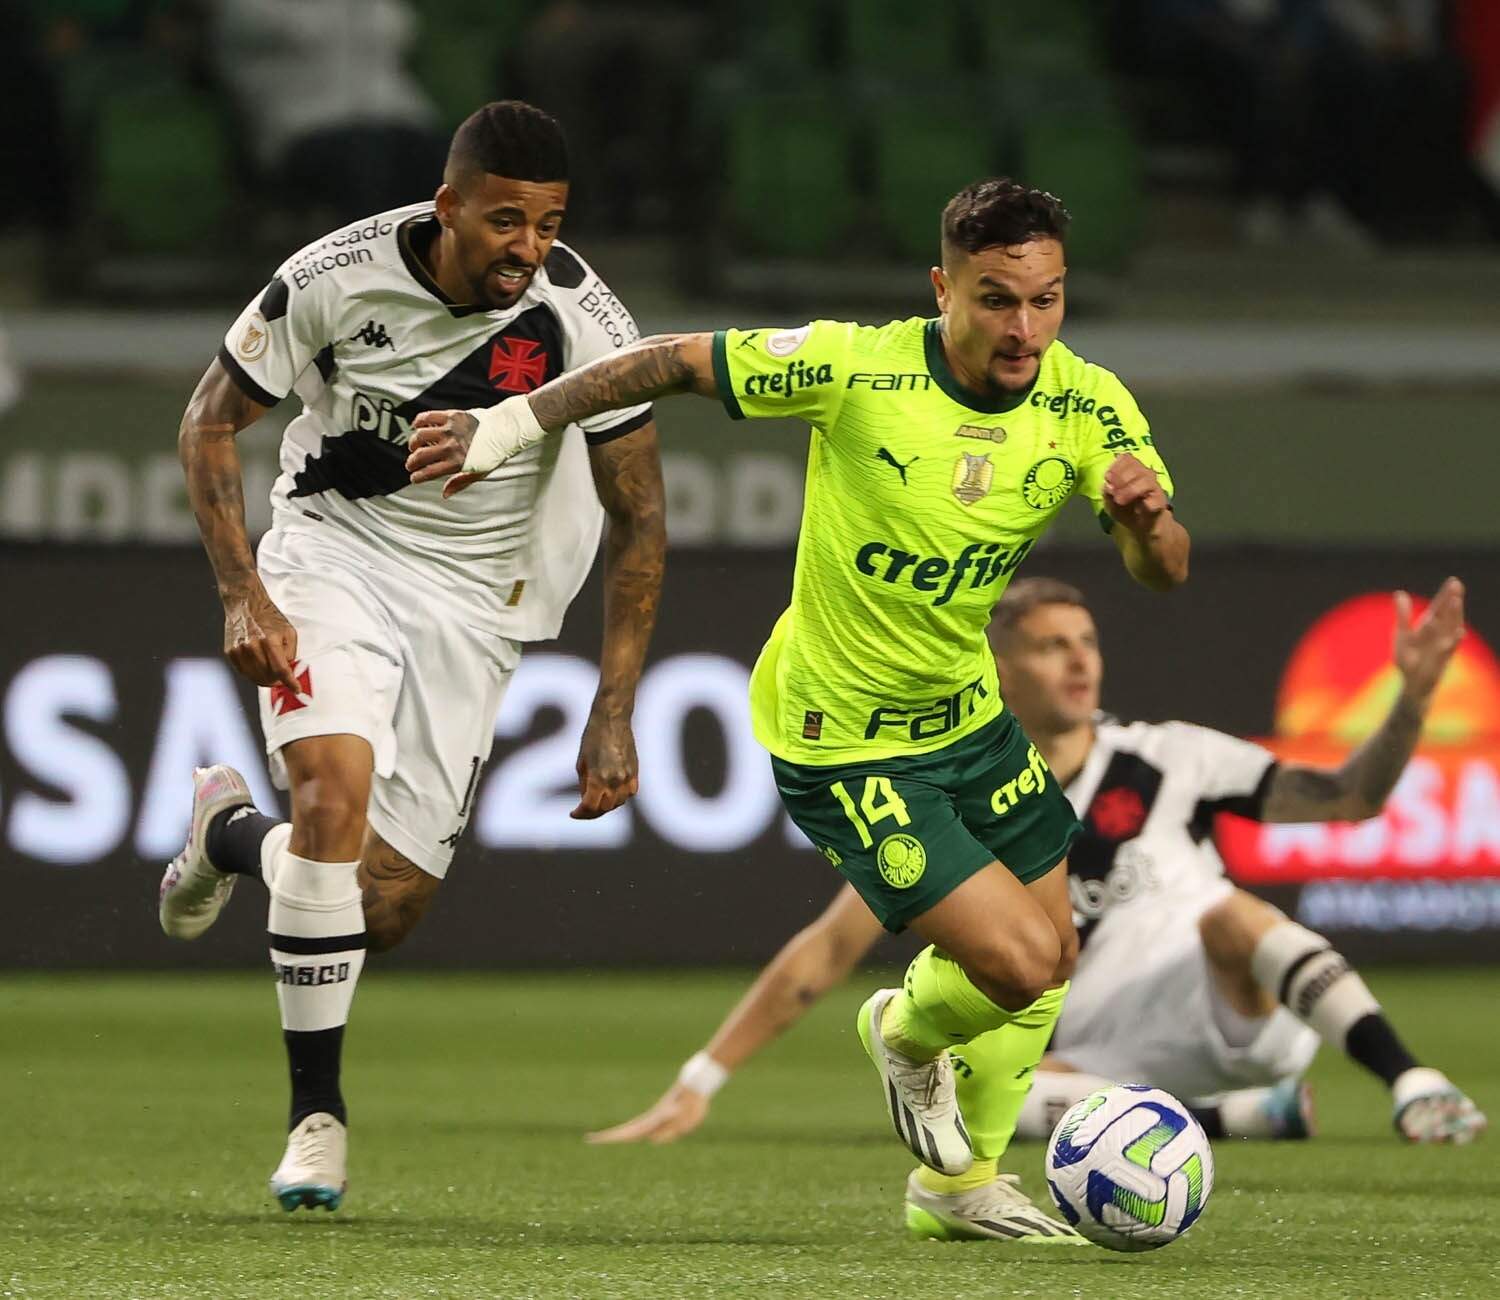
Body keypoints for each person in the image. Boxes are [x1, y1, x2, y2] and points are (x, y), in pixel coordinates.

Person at [408, 179, 1192, 1243]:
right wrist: (512, 422)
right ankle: (904, 1034)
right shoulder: (856, 368)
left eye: (1046, 300)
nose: (1024, 329)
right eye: (998, 299)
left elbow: (1164, 572)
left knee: (1051, 960)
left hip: (964, 715)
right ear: (942, 287)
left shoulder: (1086, 401)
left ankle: (958, 1189)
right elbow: (673, 360)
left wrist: (1146, 522)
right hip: (843, 738)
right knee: (1009, 964)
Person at [159, 101, 665, 1213]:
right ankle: (316, 1120)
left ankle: (230, 833)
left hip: (477, 609)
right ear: (447, 208)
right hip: (329, 560)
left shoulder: (581, 315)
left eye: (547, 224)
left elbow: (641, 519)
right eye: (503, 224)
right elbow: (208, 421)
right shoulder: (331, 279)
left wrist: (613, 706)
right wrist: (244, 592)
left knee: (380, 907)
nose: (526, 250)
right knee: (332, 800)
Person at [587, 577, 1486, 1158]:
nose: (1079, 659)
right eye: (1053, 644)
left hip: (1227, 1007)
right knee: (966, 1092)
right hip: (1097, 1056)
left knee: (1232, 914)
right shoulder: (952, 795)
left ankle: (1410, 1080)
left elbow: (1349, 798)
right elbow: (826, 951)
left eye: (1087, 640)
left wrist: (1410, 699)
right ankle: (1236, 1122)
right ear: (995, 666)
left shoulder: (1172, 758)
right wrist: (699, 1082)